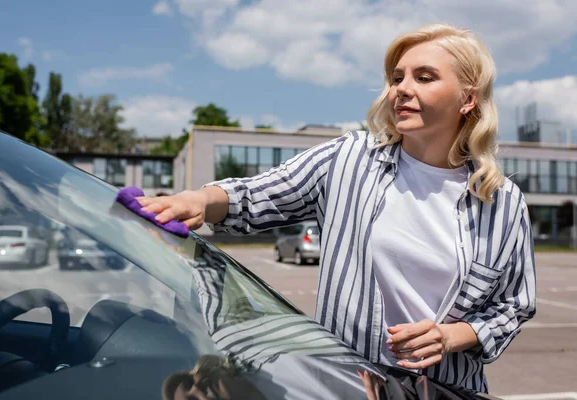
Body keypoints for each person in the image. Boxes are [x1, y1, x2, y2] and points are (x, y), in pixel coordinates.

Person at [137, 23, 536, 393]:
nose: (402, 88)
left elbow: (514, 307)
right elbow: (256, 195)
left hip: (447, 391)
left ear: (467, 99)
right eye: (397, 77)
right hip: (344, 387)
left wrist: (452, 336)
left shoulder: (502, 201)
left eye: (424, 77)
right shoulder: (349, 158)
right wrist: (201, 200)